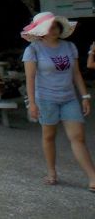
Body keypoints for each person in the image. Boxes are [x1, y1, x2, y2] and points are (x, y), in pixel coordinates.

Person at [21, 12, 95, 190]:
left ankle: (93, 177)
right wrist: (32, 103)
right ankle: (52, 171)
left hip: (69, 98)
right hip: (46, 99)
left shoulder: (69, 47)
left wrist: (85, 96)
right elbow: (30, 79)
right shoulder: (33, 50)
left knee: (78, 137)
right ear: (41, 30)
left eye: (55, 25)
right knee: (49, 136)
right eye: (49, 26)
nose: (53, 28)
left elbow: (76, 74)